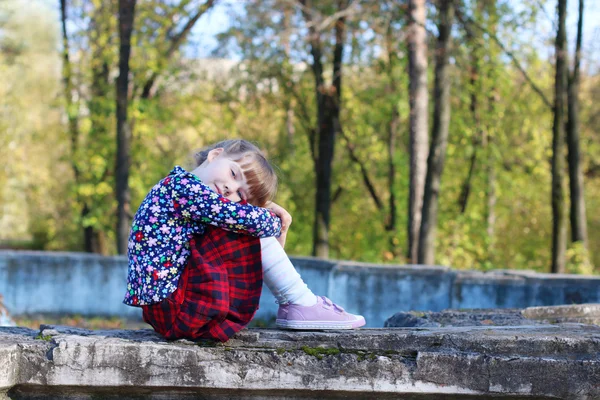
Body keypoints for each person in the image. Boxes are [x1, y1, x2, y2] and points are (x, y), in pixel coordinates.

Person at [124, 139, 365, 342]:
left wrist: (259, 209)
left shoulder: (182, 189)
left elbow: (233, 213)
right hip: (175, 309)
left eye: (241, 193)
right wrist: (277, 221)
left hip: (170, 308)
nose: (231, 188)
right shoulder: (183, 188)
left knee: (242, 220)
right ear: (215, 155)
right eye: (233, 173)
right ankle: (299, 302)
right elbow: (246, 219)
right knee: (246, 224)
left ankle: (299, 303)